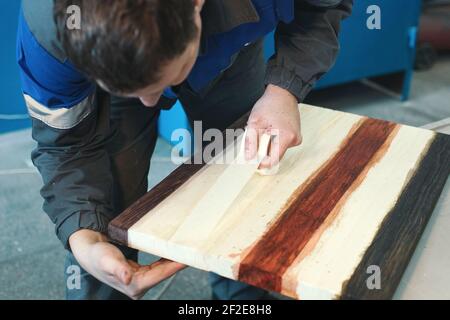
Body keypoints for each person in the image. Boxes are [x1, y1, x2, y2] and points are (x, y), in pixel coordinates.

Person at [17, 0, 353, 300]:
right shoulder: (51, 38)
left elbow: (322, 6)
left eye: (161, 83)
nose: (151, 103)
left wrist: (284, 89)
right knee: (108, 216)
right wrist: (85, 242)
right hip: (116, 65)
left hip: (231, 41)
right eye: (139, 91)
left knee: (240, 174)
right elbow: (66, 146)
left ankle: (243, 298)